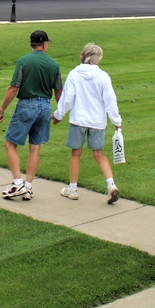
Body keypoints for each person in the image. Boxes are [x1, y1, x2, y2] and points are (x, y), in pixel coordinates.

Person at [0, 30, 63, 201]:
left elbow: (13, 88)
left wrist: (2, 109)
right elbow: (59, 92)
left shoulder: (24, 61)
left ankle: (18, 183)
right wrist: (59, 112)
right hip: (45, 107)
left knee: (10, 144)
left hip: (27, 105)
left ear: (32, 44)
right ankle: (29, 186)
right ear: (45, 44)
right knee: (35, 146)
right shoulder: (54, 64)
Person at [52, 43, 122, 204]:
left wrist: (58, 115)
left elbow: (67, 99)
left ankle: (73, 188)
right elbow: (110, 101)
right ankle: (111, 184)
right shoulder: (103, 76)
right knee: (99, 154)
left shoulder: (74, 74)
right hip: (97, 121)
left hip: (78, 120)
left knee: (76, 154)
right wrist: (116, 121)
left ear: (83, 56)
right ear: (97, 59)